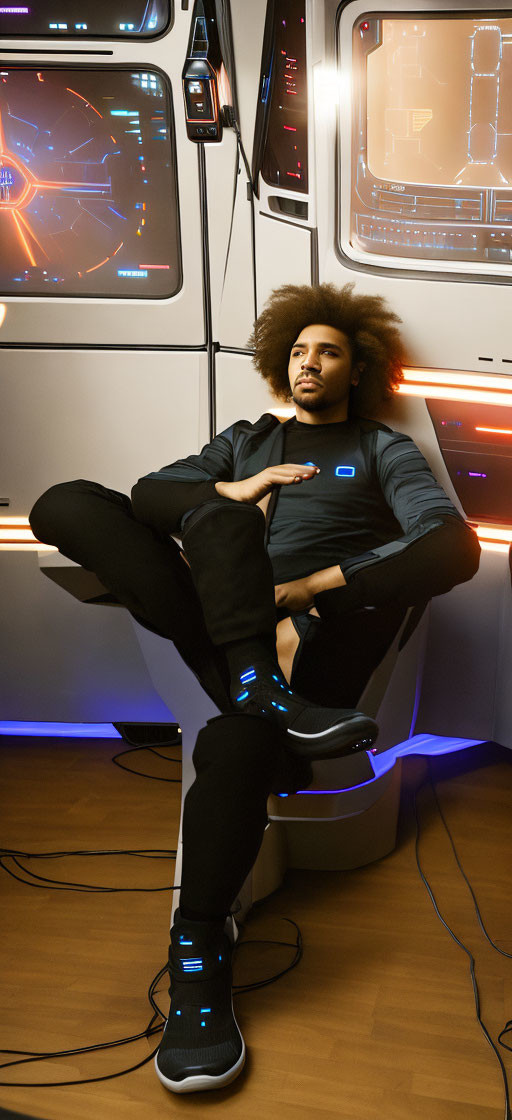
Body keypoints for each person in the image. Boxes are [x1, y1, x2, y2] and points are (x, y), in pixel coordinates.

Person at [28, 282, 480, 1095]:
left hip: (311, 639)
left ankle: (198, 963)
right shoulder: (250, 437)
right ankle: (259, 689)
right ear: (281, 361)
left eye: (329, 351)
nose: (310, 362)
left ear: (359, 367)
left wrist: (310, 588)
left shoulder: (381, 448)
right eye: (299, 350)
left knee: (233, 746)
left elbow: (449, 547)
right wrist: (226, 495)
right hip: (220, 625)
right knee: (68, 502)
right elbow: (149, 496)